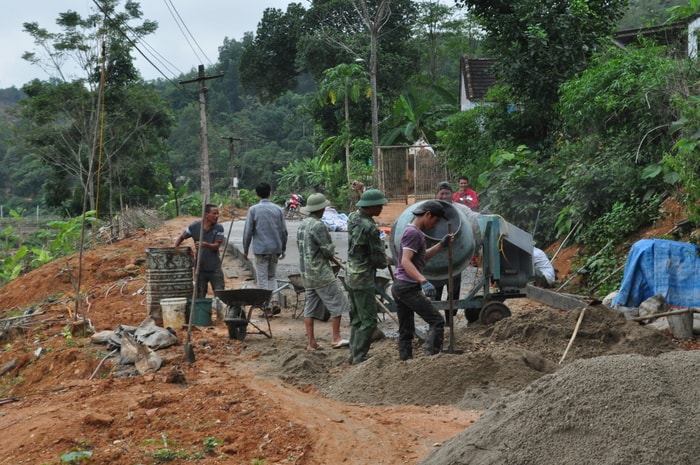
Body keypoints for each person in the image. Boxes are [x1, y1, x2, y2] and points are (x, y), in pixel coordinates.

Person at [391, 200, 453, 360]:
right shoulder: (413, 233)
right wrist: (423, 280)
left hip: (400, 286)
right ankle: (431, 360)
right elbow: (406, 261)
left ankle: (405, 361)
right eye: (435, 220)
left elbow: (422, 257)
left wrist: (441, 244)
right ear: (427, 215)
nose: (435, 225)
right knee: (437, 321)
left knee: (406, 328)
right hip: (407, 287)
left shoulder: (415, 232)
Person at [296, 193, 350, 350]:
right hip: (321, 273)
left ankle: (311, 343)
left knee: (310, 308)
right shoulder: (318, 225)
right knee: (337, 303)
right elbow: (327, 250)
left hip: (307, 274)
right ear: (321, 209)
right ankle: (336, 338)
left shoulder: (303, 225)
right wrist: (331, 252)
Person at [346, 188, 391, 364]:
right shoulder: (370, 228)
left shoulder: (352, 217)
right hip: (363, 277)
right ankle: (359, 356)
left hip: (350, 273)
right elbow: (377, 258)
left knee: (357, 318)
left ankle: (353, 353)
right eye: (379, 206)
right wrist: (386, 261)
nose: (381, 209)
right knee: (370, 321)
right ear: (371, 207)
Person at [242, 182, 288, 317]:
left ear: (257, 194)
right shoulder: (278, 210)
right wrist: (282, 248)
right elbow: (283, 231)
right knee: (272, 276)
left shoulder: (253, 210)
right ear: (270, 192)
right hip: (275, 248)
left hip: (261, 249)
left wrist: (245, 249)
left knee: (262, 278)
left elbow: (248, 232)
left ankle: (266, 307)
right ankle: (274, 302)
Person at [174, 203, 225, 298]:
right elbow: (181, 237)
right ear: (206, 215)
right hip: (200, 268)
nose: (217, 216)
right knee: (199, 295)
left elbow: (216, 246)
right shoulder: (194, 227)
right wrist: (174, 249)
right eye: (214, 213)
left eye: (217, 213)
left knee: (220, 294)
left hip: (215, 268)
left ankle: (221, 312)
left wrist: (205, 244)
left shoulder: (219, 228)